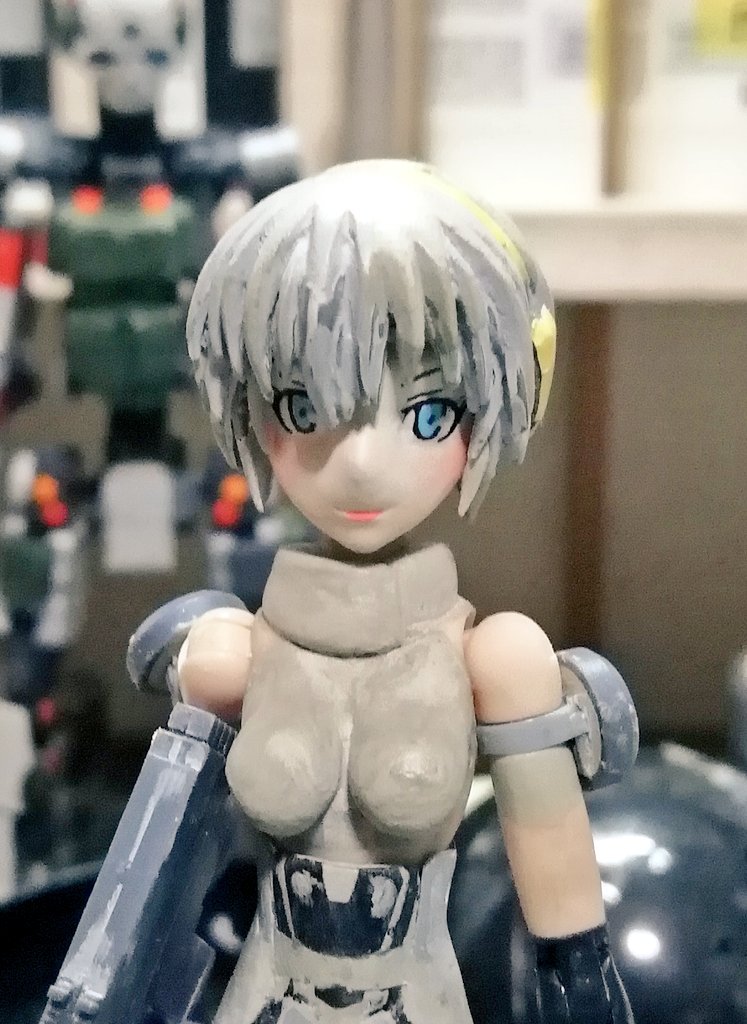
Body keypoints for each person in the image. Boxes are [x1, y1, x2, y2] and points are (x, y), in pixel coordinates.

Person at [177, 159, 633, 1024]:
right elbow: (153, 883)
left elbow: (561, 900)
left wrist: (586, 995)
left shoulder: (493, 659)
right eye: (303, 407)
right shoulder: (232, 654)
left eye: (427, 414)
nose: (360, 463)